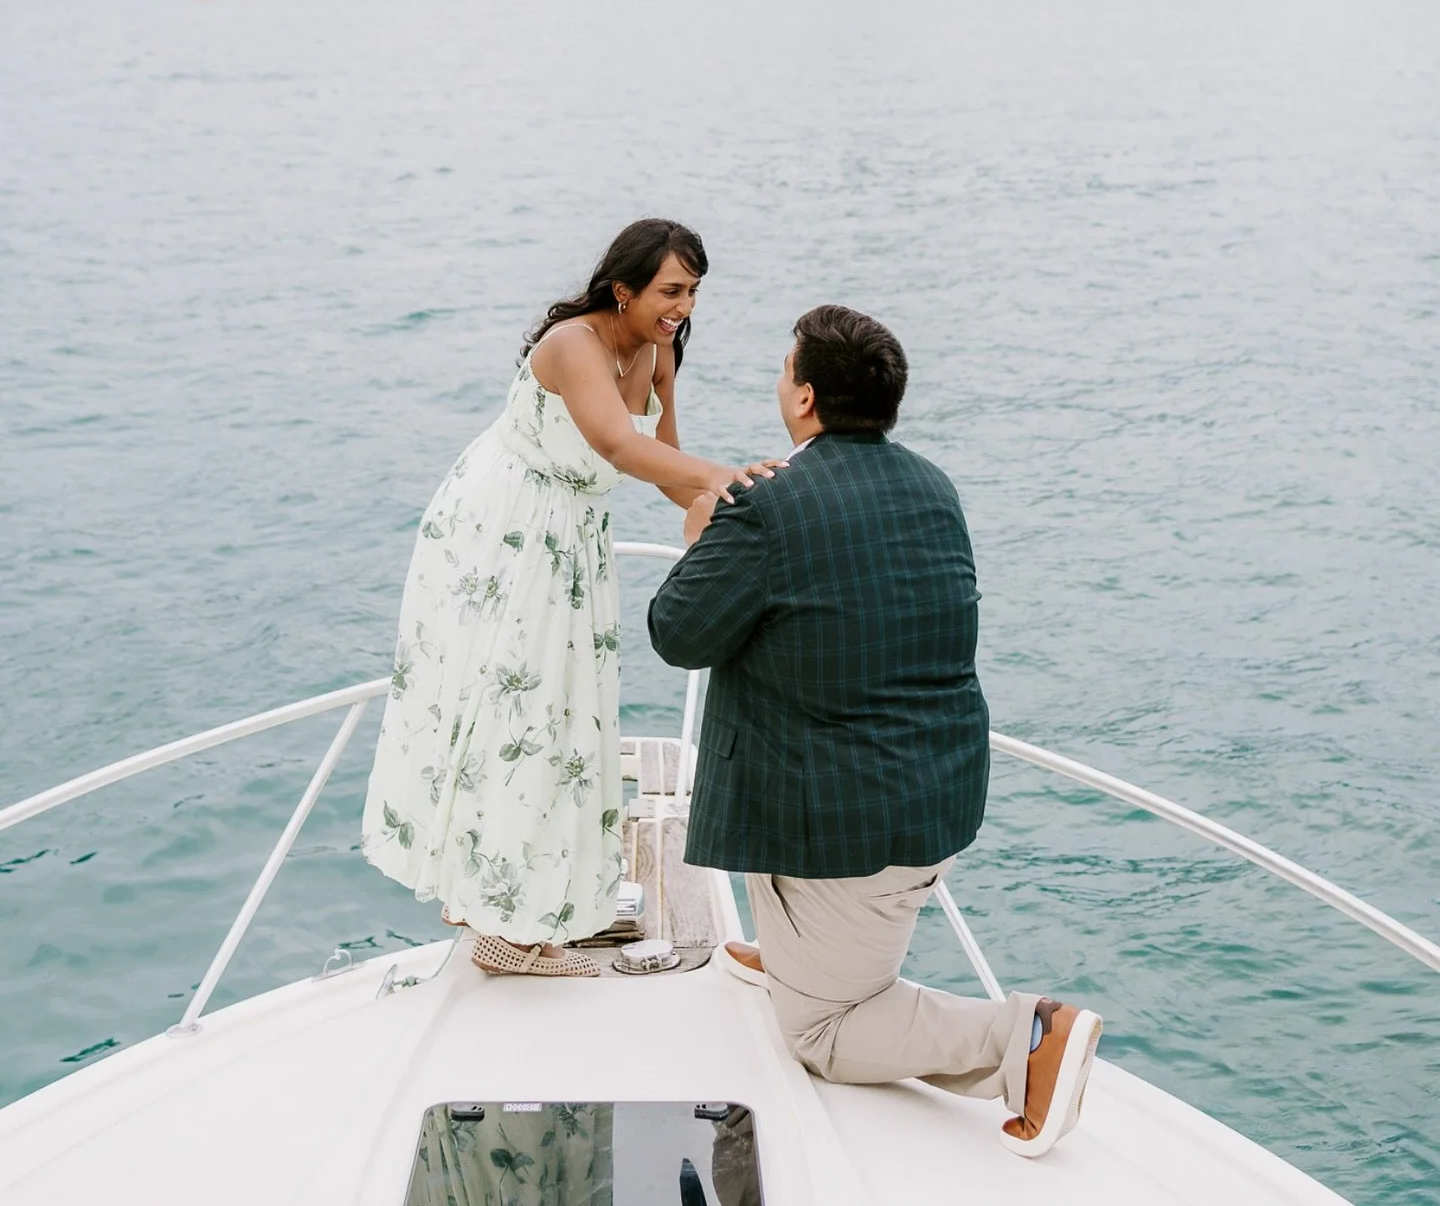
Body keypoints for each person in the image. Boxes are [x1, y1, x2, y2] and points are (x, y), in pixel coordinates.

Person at [648, 304, 1102, 1158]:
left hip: (847, 831)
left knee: (820, 1035)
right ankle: (793, 956)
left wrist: (703, 535)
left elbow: (678, 633)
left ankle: (1022, 1041)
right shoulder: (935, 487)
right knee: (798, 692)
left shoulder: (767, 506)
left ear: (806, 397)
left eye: (786, 370)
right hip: (940, 788)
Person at [362, 218, 775, 979]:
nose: (684, 306)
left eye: (693, 292)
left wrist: (714, 513)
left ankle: (517, 908)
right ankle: (490, 919)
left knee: (555, 717)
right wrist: (722, 474)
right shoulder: (573, 345)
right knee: (505, 705)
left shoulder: (658, 350)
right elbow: (618, 445)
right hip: (503, 529)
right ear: (625, 288)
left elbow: (665, 461)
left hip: (572, 538)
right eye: (671, 290)